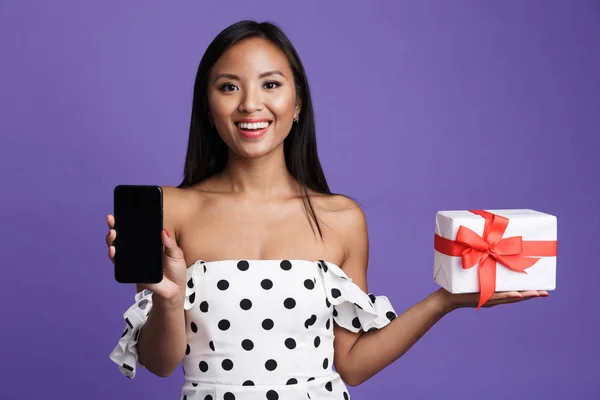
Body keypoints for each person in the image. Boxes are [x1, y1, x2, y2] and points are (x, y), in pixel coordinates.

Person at [105, 20, 548, 400]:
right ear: (208, 105)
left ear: (297, 105)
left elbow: (352, 364)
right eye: (229, 87)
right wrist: (169, 297)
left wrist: (446, 300)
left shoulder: (342, 219)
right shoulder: (171, 211)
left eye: (271, 84)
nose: (250, 104)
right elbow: (161, 364)